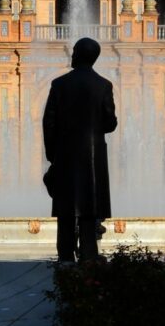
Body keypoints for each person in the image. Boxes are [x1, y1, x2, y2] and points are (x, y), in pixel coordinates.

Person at [42, 36, 118, 264]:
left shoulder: (59, 84)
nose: (72, 54)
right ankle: (88, 254)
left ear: (81, 55)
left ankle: (65, 255)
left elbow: (49, 122)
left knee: (66, 207)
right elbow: (111, 123)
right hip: (93, 157)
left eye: (74, 51)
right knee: (89, 206)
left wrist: (52, 154)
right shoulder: (104, 85)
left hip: (65, 155)